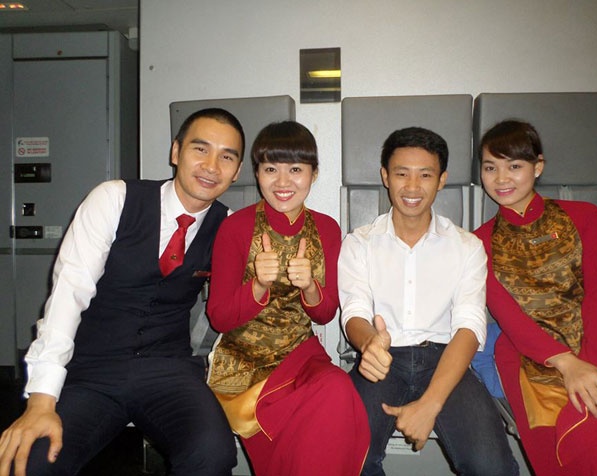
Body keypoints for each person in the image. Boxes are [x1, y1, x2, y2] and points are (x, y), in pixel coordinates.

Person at [0, 108, 245, 476]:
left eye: (226, 157)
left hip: (169, 370)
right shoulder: (113, 199)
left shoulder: (227, 227)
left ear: (237, 171)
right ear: (175, 152)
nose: (211, 166)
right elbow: (69, 294)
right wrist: (41, 400)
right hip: (92, 370)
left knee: (213, 454)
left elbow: (237, 308)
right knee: (33, 461)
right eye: (200, 149)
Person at [339, 127, 519, 476]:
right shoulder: (359, 243)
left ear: (441, 180)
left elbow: (469, 325)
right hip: (382, 360)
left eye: (425, 175)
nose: (412, 187)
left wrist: (431, 404)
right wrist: (369, 343)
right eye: (401, 174)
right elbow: (355, 312)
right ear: (385, 177)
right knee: (349, 459)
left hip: (445, 359)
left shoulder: (466, 247)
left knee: (490, 467)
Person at [473, 120, 597, 476]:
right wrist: (568, 365)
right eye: (491, 168)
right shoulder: (478, 242)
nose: (501, 178)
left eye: (514, 166)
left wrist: (593, 369)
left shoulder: (584, 217)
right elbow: (509, 316)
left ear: (538, 166)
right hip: (529, 355)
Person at [206, 120, 370, 476]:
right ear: (257, 173)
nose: (282, 182)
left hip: (300, 354)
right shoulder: (235, 228)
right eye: (270, 169)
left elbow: (326, 314)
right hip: (245, 363)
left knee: (338, 388)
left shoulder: (326, 229)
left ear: (314, 173)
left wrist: (310, 287)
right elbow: (218, 317)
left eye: (295, 169)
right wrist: (257, 287)